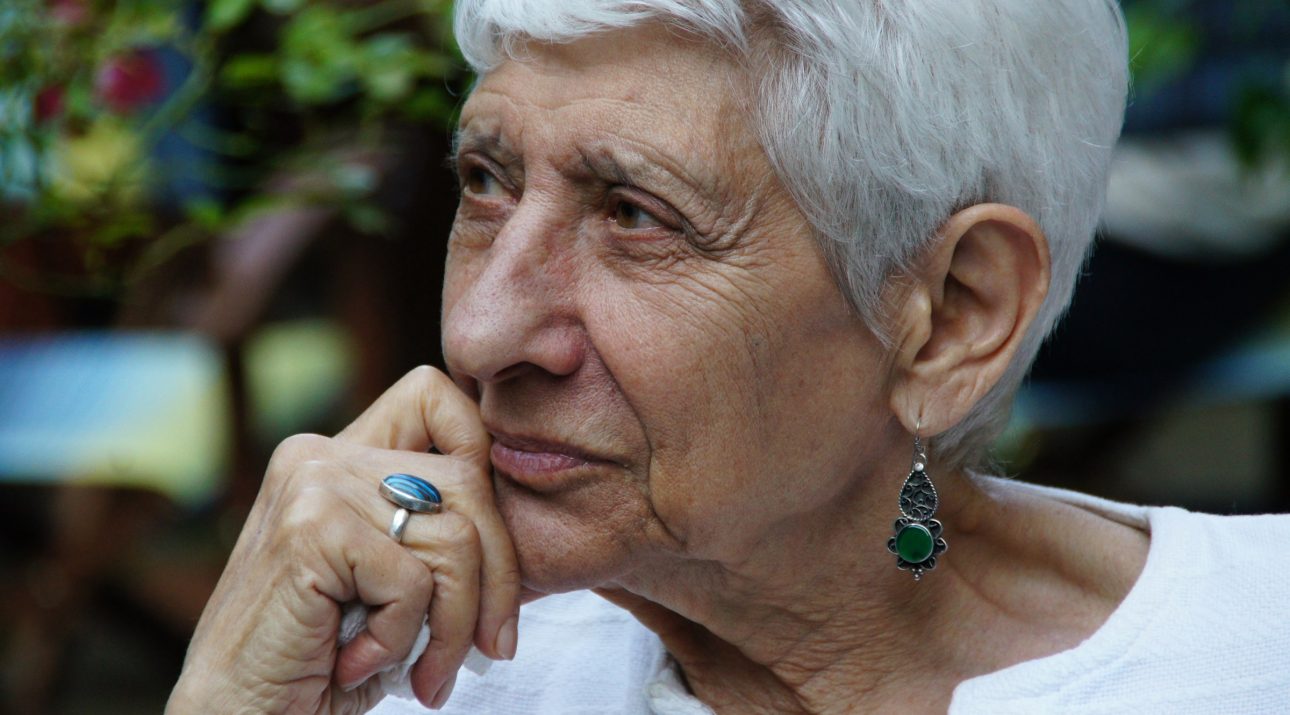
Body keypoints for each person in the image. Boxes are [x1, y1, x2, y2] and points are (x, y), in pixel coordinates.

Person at [168, 0, 1290, 713]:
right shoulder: (408, 667)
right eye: (486, 182)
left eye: (636, 215)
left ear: (953, 315)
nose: (479, 334)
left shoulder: (1254, 652)